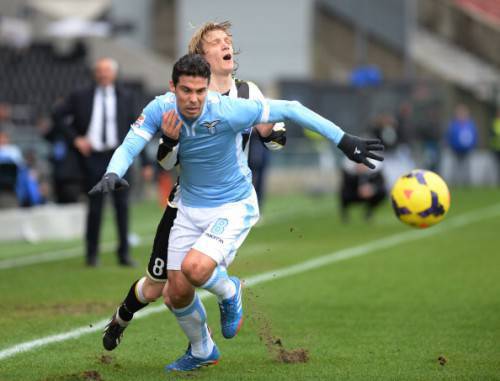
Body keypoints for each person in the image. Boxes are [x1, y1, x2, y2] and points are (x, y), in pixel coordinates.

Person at [90, 53, 384, 372]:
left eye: (200, 91)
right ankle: (203, 349)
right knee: (175, 293)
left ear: (208, 90)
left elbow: (292, 109)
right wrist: (112, 172)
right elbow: (131, 143)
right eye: (186, 90)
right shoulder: (160, 108)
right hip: (187, 207)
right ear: (172, 87)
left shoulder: (228, 110)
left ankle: (230, 290)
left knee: (196, 268)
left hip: (232, 204)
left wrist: (343, 140)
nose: (193, 99)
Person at [100, 21, 286, 351]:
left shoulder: (247, 93)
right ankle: (122, 318)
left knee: (188, 277)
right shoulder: (182, 97)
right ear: (201, 55)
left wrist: (270, 132)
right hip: (184, 202)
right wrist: (165, 143)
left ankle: (202, 344)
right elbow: (163, 159)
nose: (226, 44)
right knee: (160, 288)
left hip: (228, 201)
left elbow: (276, 144)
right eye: (217, 41)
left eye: (228, 40)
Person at [53, 57, 148, 267]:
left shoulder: (126, 96)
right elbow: (58, 115)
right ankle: (91, 254)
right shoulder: (80, 96)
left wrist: (146, 162)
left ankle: (123, 254)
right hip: (93, 159)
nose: (103, 74)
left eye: (107, 71)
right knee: (94, 208)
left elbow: (140, 128)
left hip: (120, 157)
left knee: (122, 207)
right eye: (100, 71)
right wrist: (76, 139)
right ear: (95, 73)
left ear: (114, 73)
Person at [446, 103, 478, 186]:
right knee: (455, 168)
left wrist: (473, 146)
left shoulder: (470, 124)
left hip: (467, 150)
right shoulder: (454, 125)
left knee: (466, 168)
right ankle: (455, 184)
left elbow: (474, 136)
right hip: (455, 150)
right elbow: (449, 136)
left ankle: (466, 184)